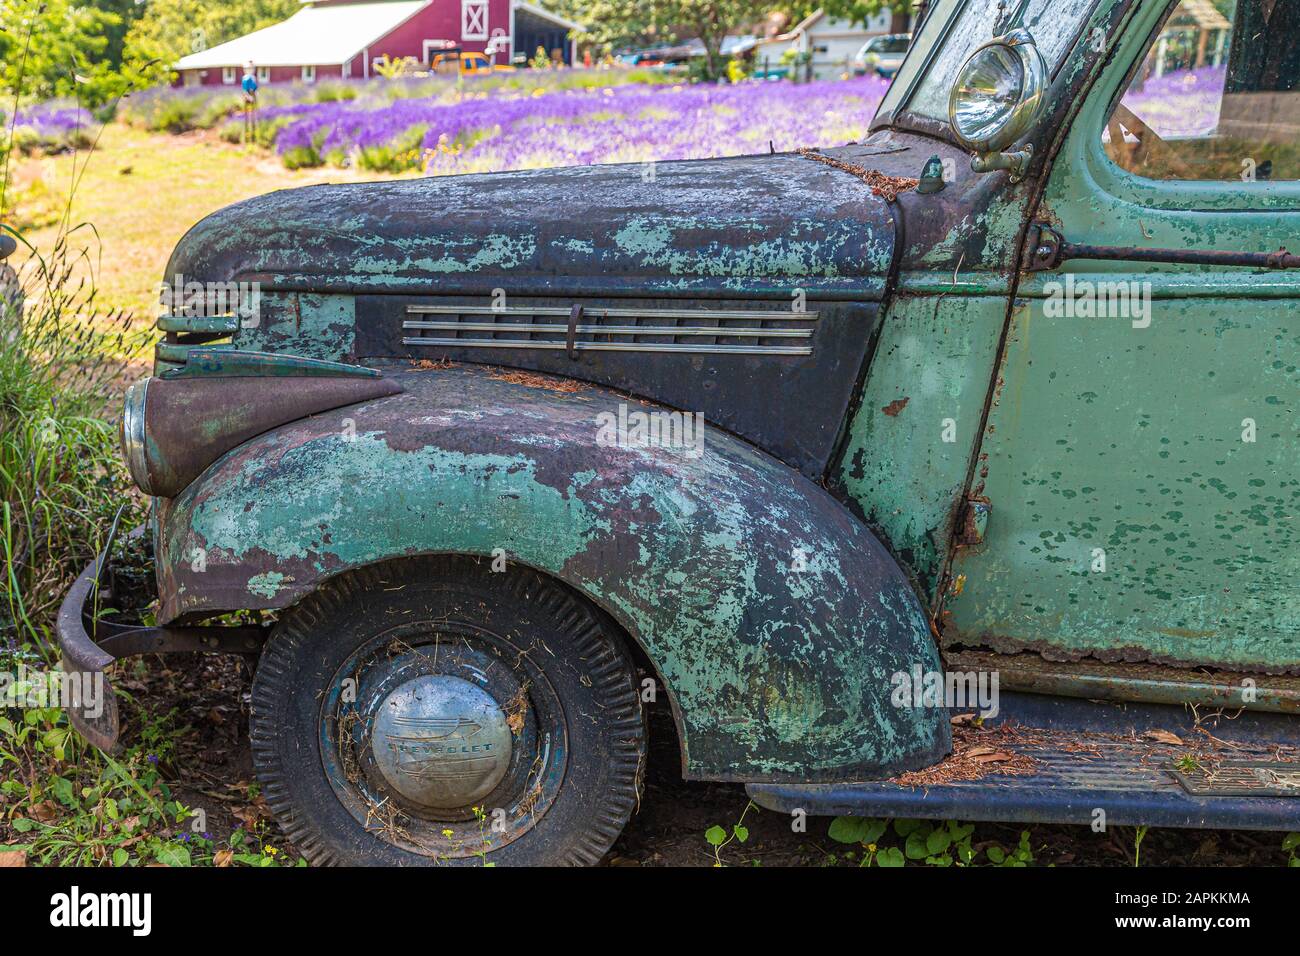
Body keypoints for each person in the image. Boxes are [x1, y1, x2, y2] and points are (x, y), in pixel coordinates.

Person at [241, 62, 259, 144]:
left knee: (253, 117)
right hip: (248, 100)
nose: (250, 70)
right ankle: (247, 138)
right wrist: (248, 96)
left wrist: (255, 94)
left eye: (251, 68)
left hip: (253, 99)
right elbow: (244, 90)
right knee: (247, 118)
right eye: (248, 68)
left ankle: (254, 137)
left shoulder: (253, 78)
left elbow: (255, 88)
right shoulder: (245, 78)